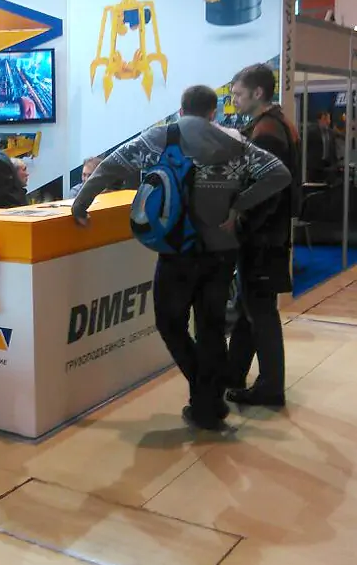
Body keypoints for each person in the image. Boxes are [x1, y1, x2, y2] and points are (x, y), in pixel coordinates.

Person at [72, 85, 292, 430]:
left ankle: (207, 395)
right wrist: (239, 203)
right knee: (211, 326)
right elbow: (280, 174)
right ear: (212, 113)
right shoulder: (236, 143)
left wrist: (81, 204)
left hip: (177, 250)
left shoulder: (161, 137)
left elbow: (110, 166)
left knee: (169, 322)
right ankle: (208, 400)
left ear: (181, 109)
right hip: (222, 251)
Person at [226, 64, 300, 408]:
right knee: (249, 307)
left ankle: (271, 387)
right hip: (267, 234)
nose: (234, 100)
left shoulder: (267, 131)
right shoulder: (276, 124)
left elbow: (268, 191)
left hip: (263, 237)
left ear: (258, 93)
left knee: (260, 312)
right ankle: (233, 373)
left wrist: (242, 223)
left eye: (239, 94)